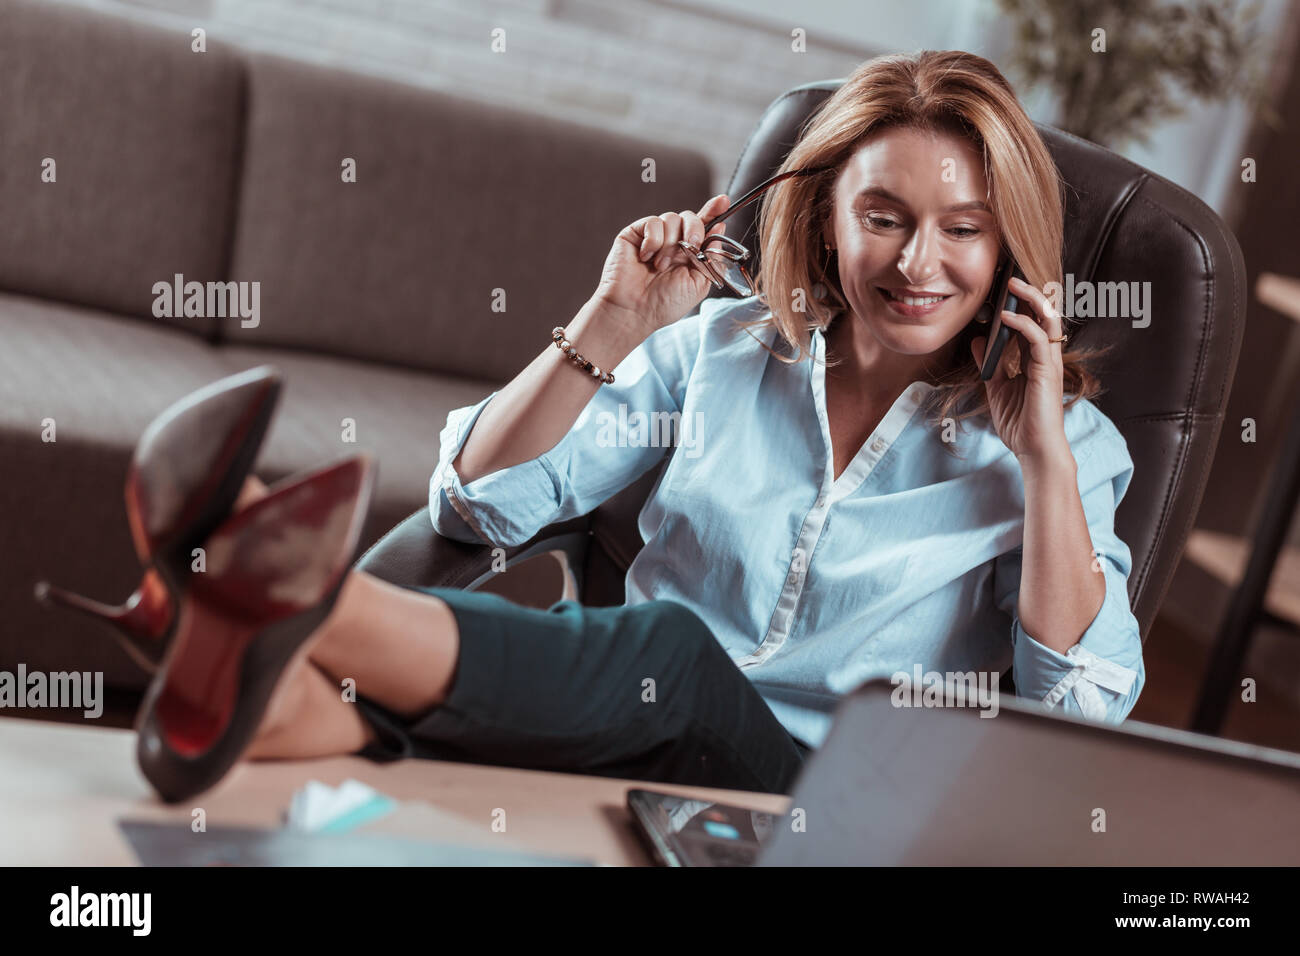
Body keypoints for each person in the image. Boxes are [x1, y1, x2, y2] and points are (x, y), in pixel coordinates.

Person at [77, 50, 1148, 801]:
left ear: (1009, 250)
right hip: (617, 733)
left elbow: (1083, 710)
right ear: (825, 218)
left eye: (963, 229)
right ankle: (247, 698)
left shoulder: (1068, 449)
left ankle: (276, 585)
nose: (920, 263)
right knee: (371, 716)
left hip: (815, 802)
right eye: (883, 217)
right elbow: (474, 500)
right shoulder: (724, 352)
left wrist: (1041, 456)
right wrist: (613, 320)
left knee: (672, 661)